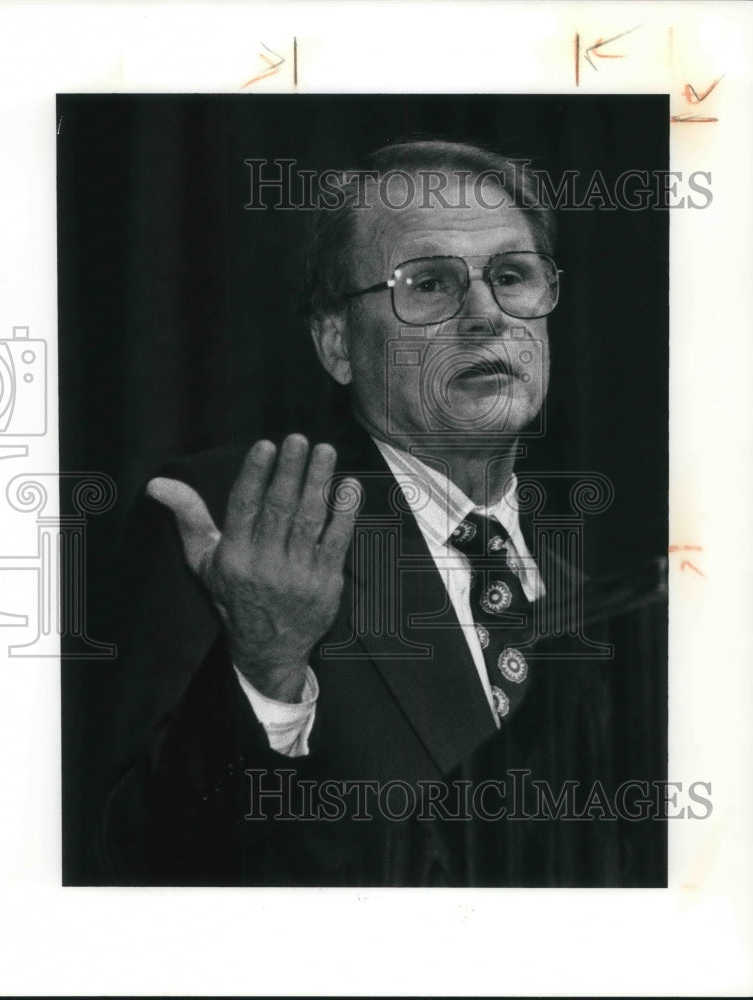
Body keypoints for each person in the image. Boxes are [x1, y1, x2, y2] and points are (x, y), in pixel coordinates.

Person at [100, 140, 667, 887]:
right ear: (338, 343)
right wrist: (265, 664)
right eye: (430, 283)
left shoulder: (599, 600)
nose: (486, 317)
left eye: (513, 277)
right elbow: (124, 867)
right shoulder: (239, 525)